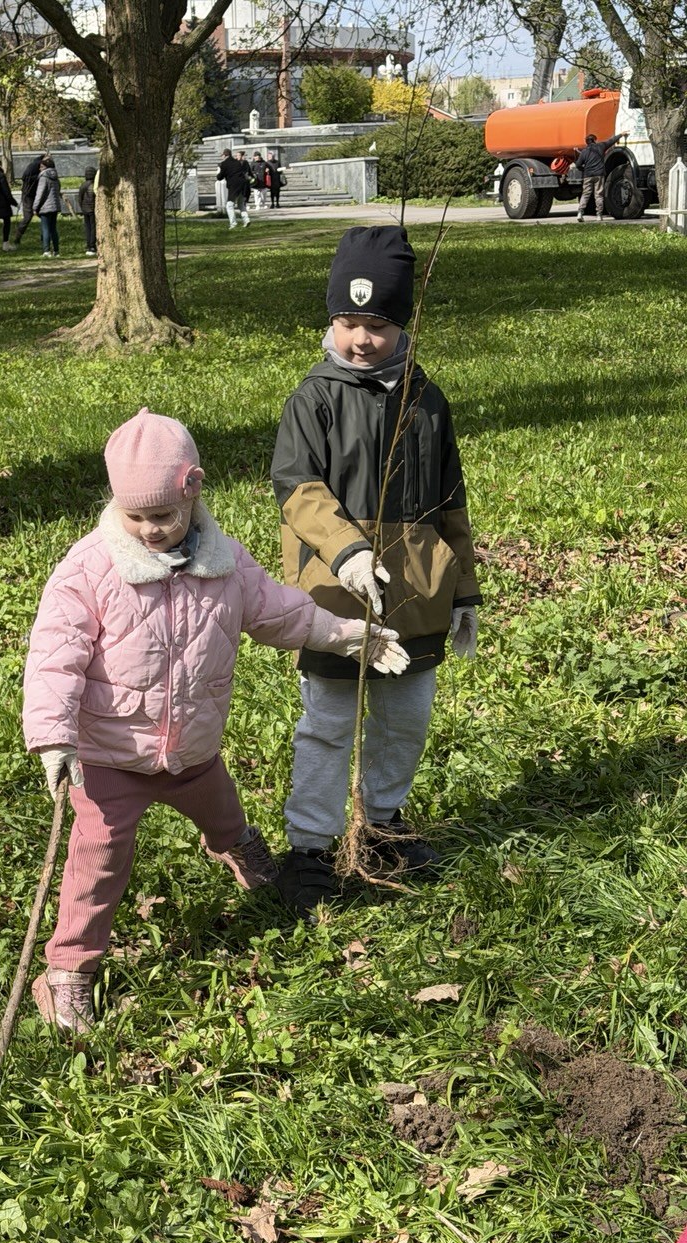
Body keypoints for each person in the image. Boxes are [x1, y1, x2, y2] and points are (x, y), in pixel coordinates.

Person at [22, 408, 407, 1029]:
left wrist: (339, 634)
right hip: (110, 758)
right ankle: (69, 966)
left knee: (224, 813)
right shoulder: (90, 569)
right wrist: (52, 734)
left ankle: (242, 854)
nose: (149, 529)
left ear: (194, 489)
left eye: (163, 515)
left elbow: (275, 610)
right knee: (98, 860)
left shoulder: (224, 562)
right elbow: (54, 654)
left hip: (193, 749)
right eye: (135, 516)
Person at [270, 226, 482, 919]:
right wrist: (347, 548)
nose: (362, 338)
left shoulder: (428, 400)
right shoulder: (315, 399)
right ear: (331, 319)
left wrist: (465, 592)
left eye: (378, 324)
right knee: (328, 720)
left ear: (402, 324)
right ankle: (309, 847)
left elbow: (451, 500)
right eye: (349, 321)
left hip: (418, 597)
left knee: (404, 720)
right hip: (337, 599)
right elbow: (297, 487)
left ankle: (385, 823)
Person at [575, 131, 627, 222]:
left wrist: (584, 169)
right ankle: (599, 215)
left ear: (586, 142)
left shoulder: (584, 152)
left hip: (588, 175)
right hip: (599, 175)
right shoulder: (601, 146)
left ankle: (580, 213)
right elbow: (611, 141)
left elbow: (578, 164)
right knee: (598, 195)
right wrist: (621, 134)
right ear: (595, 140)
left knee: (586, 194)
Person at [8, 153, 47, 248]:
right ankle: (18, 237)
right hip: (29, 195)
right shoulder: (36, 165)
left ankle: (44, 237)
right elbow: (26, 178)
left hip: (31, 194)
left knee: (40, 215)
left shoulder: (34, 164)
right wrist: (39, 176)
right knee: (29, 216)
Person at [33, 156, 62, 257]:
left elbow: (40, 194)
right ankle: (56, 251)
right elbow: (58, 190)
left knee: (45, 229)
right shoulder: (55, 177)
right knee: (53, 228)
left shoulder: (43, 177)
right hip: (54, 206)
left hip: (45, 207)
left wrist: (35, 207)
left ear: (45, 167)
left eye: (41, 166)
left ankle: (46, 251)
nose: (40, 168)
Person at [216, 148, 251, 229]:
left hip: (234, 186)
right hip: (243, 185)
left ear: (224, 155)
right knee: (241, 204)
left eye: (222, 155)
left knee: (229, 205)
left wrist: (218, 171)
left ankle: (233, 224)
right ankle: (246, 220)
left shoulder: (224, 164)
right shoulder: (237, 162)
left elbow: (219, 177)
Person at [78, 165, 97, 255]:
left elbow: (80, 198)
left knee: (88, 228)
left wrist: (82, 207)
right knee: (93, 228)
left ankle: (89, 245)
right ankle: (93, 246)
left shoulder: (83, 185)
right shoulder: (95, 184)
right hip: (93, 209)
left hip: (85, 209)